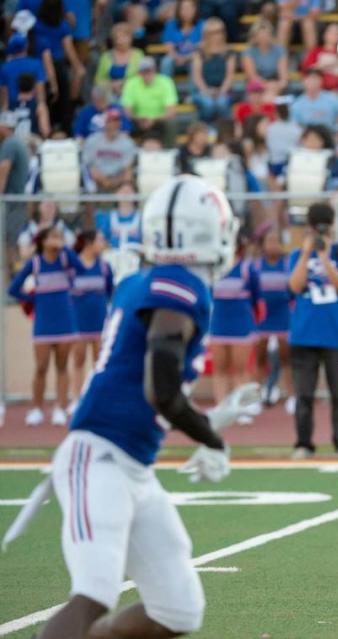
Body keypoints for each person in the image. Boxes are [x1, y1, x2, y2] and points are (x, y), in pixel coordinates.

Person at [29, 175, 260, 639]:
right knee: (94, 593)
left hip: (133, 463)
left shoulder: (146, 280)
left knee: (178, 609)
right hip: (99, 455)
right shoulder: (179, 288)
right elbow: (162, 389)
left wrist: (206, 420)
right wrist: (208, 435)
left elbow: (148, 387)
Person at [287, 203, 338, 457]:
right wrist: (307, 255)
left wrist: (326, 258)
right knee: (303, 394)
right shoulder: (297, 255)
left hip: (337, 335)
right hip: (304, 335)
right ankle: (304, 443)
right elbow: (294, 286)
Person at [7, 225, 79, 426]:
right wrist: (32, 299)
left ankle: (60, 408)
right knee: (41, 367)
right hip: (44, 323)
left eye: (59, 237)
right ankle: (36, 408)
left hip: (66, 321)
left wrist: (64, 248)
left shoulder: (65, 259)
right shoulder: (36, 263)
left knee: (62, 367)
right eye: (54, 237)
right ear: (43, 241)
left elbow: (80, 268)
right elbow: (13, 288)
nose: (58, 240)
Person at [209, 239, 261, 406]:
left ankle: (242, 407)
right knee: (220, 369)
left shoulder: (247, 269)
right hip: (217, 325)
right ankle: (221, 405)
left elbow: (256, 296)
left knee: (241, 369)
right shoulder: (211, 270)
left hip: (241, 326)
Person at [69, 230, 113, 412]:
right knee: (78, 360)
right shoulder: (72, 267)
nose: (103, 243)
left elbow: (110, 291)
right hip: (78, 323)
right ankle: (77, 399)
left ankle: (98, 400)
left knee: (99, 362)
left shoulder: (104, 267)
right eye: (100, 240)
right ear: (88, 243)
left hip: (100, 323)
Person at [254, 228, 293, 411]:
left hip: (283, 316)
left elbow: (293, 290)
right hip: (262, 318)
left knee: (286, 359)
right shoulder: (255, 266)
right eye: (269, 241)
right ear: (262, 245)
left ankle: (291, 396)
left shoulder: (287, 263)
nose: (272, 245)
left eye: (276, 241)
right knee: (260, 359)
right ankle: (257, 396)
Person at [34, 0, 85, 128]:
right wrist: (77, 66)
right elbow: (68, 48)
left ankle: (49, 127)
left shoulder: (37, 25)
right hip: (54, 65)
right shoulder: (61, 25)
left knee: (47, 99)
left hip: (42, 66)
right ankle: (64, 127)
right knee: (63, 98)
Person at [121, 57, 178, 147]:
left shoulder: (166, 82)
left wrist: (153, 119)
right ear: (139, 73)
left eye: (149, 71)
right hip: (138, 121)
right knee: (123, 120)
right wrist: (138, 118)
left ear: (155, 70)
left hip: (159, 121)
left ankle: (169, 151)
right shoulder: (131, 83)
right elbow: (127, 111)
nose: (147, 74)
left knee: (171, 123)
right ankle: (127, 152)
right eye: (144, 71)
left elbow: (171, 112)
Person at [190, 17, 236, 123]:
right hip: (202, 90)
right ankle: (207, 127)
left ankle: (224, 129)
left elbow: (229, 76)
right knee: (208, 104)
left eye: (218, 32)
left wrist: (221, 91)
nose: (215, 35)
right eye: (211, 32)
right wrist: (207, 91)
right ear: (206, 34)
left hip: (223, 89)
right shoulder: (199, 51)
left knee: (222, 103)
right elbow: (197, 76)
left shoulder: (229, 52)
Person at [81, 108, 136, 193]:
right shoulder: (92, 140)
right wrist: (102, 180)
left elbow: (127, 169)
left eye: (116, 121)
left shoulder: (127, 143)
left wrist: (113, 182)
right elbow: (88, 166)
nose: (114, 124)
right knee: (89, 186)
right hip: (96, 179)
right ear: (105, 123)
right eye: (110, 121)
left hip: (118, 181)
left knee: (127, 190)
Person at [290, 68, 338, 134]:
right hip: (308, 139)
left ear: (321, 81)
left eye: (315, 79)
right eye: (309, 79)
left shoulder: (332, 98)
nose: (312, 82)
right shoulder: (297, 104)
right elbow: (293, 127)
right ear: (303, 81)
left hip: (332, 137)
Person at [93, 22, 144, 96]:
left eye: (124, 37)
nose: (120, 41)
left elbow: (142, 77)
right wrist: (112, 85)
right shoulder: (106, 57)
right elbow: (98, 81)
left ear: (130, 38)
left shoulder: (138, 54)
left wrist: (123, 83)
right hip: (109, 94)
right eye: (117, 38)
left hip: (133, 94)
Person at [242, 20, 289, 98]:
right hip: (256, 87)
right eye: (261, 34)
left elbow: (284, 76)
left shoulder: (280, 50)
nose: (264, 37)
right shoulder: (248, 52)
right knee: (265, 96)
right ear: (254, 37)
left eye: (266, 34)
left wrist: (279, 85)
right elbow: (252, 76)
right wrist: (267, 86)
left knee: (274, 95)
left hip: (276, 84)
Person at [0, 33, 46, 109]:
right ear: (25, 46)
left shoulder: (4, 67)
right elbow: (40, 90)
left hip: (12, 108)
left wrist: (5, 111)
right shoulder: (36, 64)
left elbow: (4, 95)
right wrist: (41, 105)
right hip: (32, 106)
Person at [160, 0, 204, 78]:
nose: (186, 12)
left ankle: (193, 90)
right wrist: (177, 57)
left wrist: (186, 58)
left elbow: (201, 48)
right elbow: (168, 46)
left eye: (189, 8)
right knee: (166, 62)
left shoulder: (202, 25)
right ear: (179, 10)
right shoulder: (171, 24)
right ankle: (166, 88)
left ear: (195, 10)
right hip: (175, 58)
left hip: (192, 58)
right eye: (183, 8)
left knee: (196, 61)